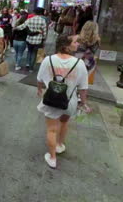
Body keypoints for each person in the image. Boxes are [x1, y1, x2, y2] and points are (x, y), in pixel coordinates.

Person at [36, 34, 89, 169]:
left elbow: (39, 79)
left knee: (51, 129)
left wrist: (39, 90)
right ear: (66, 45)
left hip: (51, 100)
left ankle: (52, 158)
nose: (78, 44)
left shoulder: (48, 60)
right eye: (75, 42)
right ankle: (59, 145)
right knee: (64, 122)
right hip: (69, 101)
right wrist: (83, 103)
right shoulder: (79, 63)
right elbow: (83, 88)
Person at [14, 8, 48, 72]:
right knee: (34, 53)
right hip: (38, 40)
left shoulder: (30, 19)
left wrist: (15, 28)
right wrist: (44, 38)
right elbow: (44, 31)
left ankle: (27, 64)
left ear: (34, 13)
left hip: (29, 39)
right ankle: (31, 68)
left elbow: (22, 26)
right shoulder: (42, 21)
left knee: (29, 52)